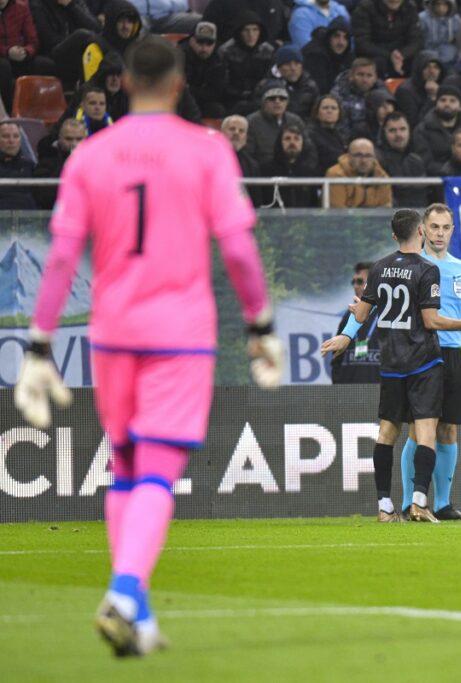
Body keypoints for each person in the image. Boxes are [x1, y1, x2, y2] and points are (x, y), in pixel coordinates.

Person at [14, 34, 281, 657]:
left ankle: (138, 617)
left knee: (128, 466)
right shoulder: (208, 150)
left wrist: (39, 343)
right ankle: (125, 589)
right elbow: (239, 248)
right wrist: (260, 326)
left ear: (125, 83)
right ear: (181, 83)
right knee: (158, 469)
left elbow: (59, 258)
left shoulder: (91, 155)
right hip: (179, 333)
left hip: (113, 333)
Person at [319, 209, 461, 523]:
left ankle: (437, 504)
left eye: (445, 227)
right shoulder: (424, 268)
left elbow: (363, 310)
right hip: (426, 357)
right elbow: (432, 319)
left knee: (445, 430)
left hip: (439, 356)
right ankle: (414, 501)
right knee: (421, 431)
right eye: (433, 227)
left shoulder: (458, 269)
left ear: (453, 230)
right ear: (421, 230)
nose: (439, 233)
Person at [412, 86, 461, 174]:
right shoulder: (423, 129)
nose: (447, 104)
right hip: (438, 179)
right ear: (436, 104)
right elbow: (425, 161)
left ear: (460, 106)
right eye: (443, 100)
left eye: (452, 101)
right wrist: (448, 172)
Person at [29, 0, 102, 87]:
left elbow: (96, 28)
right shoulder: (38, 5)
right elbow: (48, 40)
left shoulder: (75, 3)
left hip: (77, 53)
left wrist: (71, 6)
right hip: (53, 52)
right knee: (82, 35)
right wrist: (72, 41)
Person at [0, 0, 56, 112]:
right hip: (3, 57)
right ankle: (8, 112)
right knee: (4, 67)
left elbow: (33, 40)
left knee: (46, 65)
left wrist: (26, 51)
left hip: (19, 55)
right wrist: (7, 51)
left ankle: (39, 110)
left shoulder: (22, 7)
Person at [330, 261, 381, 384]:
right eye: (353, 282)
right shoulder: (348, 315)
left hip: (380, 394)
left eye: (359, 281)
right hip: (349, 395)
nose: (355, 286)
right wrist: (338, 383)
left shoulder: (385, 315)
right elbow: (336, 357)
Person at [218, 11, 275, 115]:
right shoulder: (226, 51)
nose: (251, 35)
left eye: (255, 30)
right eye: (246, 30)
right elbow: (223, 83)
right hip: (230, 100)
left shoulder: (268, 51)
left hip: (260, 99)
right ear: (239, 32)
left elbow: (269, 80)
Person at [351, 0, 422, 78]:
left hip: (401, 55)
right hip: (375, 55)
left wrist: (401, 54)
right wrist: (389, 55)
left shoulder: (410, 8)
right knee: (378, 63)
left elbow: (416, 41)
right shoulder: (365, 8)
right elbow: (362, 43)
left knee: (420, 60)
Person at [245, 80, 305, 168]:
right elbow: (248, 155)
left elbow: (308, 150)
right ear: (264, 102)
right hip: (262, 175)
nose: (277, 101)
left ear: (287, 102)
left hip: (294, 172)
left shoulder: (296, 121)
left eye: (282, 98)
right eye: (272, 98)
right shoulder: (251, 122)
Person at [260, 122, 320, 208]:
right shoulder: (265, 170)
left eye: (297, 139)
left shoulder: (310, 172)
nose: (292, 142)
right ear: (279, 142)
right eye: (287, 138)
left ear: (303, 143)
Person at [376, 112, 428, 207]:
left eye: (402, 129)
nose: (398, 135)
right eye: (392, 130)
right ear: (384, 133)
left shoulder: (416, 161)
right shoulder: (377, 161)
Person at [81, 0, 140, 83]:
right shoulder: (95, 48)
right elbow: (92, 87)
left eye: (130, 22)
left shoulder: (139, 47)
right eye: (121, 21)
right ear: (111, 23)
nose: (126, 26)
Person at [32, 118, 86, 209]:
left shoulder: (95, 162)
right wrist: (65, 166)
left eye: (79, 139)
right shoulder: (46, 159)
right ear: (60, 138)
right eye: (69, 139)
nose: (74, 144)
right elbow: (43, 197)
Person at [326, 136, 393, 208]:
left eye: (368, 156)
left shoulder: (382, 176)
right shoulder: (336, 175)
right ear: (349, 156)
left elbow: (385, 209)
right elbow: (338, 212)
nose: (363, 161)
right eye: (358, 155)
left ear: (374, 157)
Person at [180, 21, 227, 118]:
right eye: (200, 42)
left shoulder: (219, 60)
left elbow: (215, 92)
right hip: (180, 102)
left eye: (209, 43)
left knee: (218, 110)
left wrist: (191, 89)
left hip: (203, 103)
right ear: (191, 41)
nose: (204, 48)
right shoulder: (179, 56)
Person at [330, 57, 388, 131]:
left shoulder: (383, 92)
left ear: (375, 77)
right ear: (351, 76)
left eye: (369, 75)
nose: (365, 80)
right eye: (360, 75)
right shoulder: (338, 94)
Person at [301, 15, 354, 95]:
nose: (341, 42)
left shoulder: (347, 55)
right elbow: (321, 90)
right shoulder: (315, 55)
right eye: (337, 36)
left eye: (345, 38)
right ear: (329, 37)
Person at [202, 0, 287, 45]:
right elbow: (206, 35)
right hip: (230, 64)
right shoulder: (221, 3)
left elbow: (284, 35)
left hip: (269, 63)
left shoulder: (275, 3)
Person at [395, 50, 444, 126]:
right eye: (427, 67)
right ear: (419, 68)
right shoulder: (405, 91)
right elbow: (415, 125)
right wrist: (431, 98)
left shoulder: (443, 86)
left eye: (436, 67)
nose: (432, 71)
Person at [307, 94, 349, 175]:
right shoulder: (310, 135)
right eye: (325, 108)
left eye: (334, 108)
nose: (329, 111)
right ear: (317, 113)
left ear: (339, 113)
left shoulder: (342, 137)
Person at [273, 46, 319, 119]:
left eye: (297, 63)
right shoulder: (268, 87)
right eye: (288, 64)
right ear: (279, 68)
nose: (293, 68)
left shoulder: (311, 87)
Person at [0, 119, 36, 209]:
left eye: (16, 136)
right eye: (5, 136)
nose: (11, 141)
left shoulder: (30, 166)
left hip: (29, 219)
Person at [418, 0, 461, 73]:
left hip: (449, 60)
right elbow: (418, 42)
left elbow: (458, 43)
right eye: (437, 4)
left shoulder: (455, 19)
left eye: (445, 4)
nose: (441, 8)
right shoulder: (422, 18)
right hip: (428, 60)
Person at [221, 115, 260, 182]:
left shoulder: (251, 165)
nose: (236, 133)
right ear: (221, 132)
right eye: (232, 129)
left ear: (246, 137)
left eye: (241, 131)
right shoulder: (210, 158)